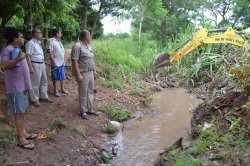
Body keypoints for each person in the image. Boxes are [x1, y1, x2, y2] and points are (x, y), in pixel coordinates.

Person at [0, 30, 37, 150]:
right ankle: (21, 140)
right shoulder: (7, 50)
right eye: (21, 37)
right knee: (18, 113)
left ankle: (24, 133)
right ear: (15, 39)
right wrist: (19, 59)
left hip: (21, 86)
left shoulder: (16, 50)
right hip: (15, 88)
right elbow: (4, 65)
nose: (23, 39)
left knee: (22, 112)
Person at [71, 30, 98, 120]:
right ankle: (83, 111)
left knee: (90, 91)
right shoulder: (77, 46)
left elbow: (91, 60)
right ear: (85, 37)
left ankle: (90, 109)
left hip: (90, 72)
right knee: (83, 93)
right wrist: (78, 74)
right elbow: (74, 61)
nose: (90, 38)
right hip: (83, 73)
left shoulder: (89, 46)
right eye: (89, 36)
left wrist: (94, 70)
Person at [25, 28, 52, 107]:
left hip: (41, 63)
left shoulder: (39, 43)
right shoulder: (30, 43)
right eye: (40, 33)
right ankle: (34, 99)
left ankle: (44, 96)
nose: (41, 34)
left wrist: (44, 64)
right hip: (35, 64)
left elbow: (41, 55)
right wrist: (30, 67)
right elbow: (28, 56)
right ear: (35, 34)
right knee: (35, 82)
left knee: (44, 80)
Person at [48, 28, 69, 97]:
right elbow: (49, 52)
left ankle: (62, 89)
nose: (61, 34)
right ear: (56, 34)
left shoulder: (59, 41)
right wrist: (53, 63)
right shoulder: (51, 41)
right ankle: (55, 90)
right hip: (55, 63)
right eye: (60, 33)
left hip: (61, 62)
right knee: (55, 77)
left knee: (62, 76)